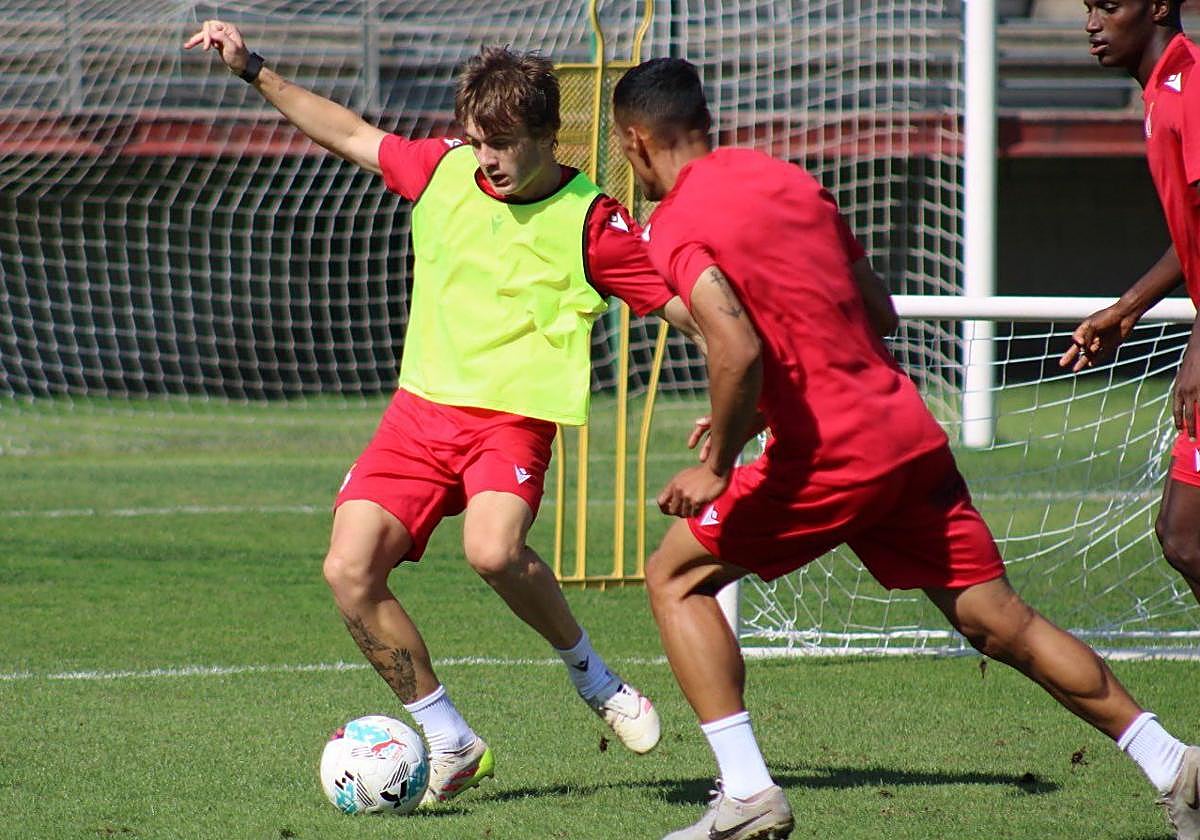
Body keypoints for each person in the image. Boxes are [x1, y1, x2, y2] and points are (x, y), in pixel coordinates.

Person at [611, 57, 1200, 840]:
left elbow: (736, 345)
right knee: (1001, 623)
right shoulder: (791, 182)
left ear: (634, 140)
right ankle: (1174, 764)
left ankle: (748, 793)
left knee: (674, 575)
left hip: (831, 454)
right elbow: (875, 313)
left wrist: (718, 460)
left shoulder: (676, 223)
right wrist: (759, 415)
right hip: (902, 433)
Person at [185, 21, 682, 805]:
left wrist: (759, 349)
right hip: (418, 415)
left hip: (510, 421)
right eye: (478, 139)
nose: (488, 159)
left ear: (550, 135)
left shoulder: (594, 223)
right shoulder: (444, 170)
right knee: (348, 571)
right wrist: (255, 71)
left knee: (492, 551)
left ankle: (595, 677)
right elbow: (346, 129)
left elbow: (686, 307)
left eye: (505, 143)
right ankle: (450, 739)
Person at [1061, 0, 1200, 608]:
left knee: (1185, 536)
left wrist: (1199, 353)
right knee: (1184, 535)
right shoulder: (1164, 90)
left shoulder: (1191, 85)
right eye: (1089, 7)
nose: (1093, 23)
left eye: (1110, 6)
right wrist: (1129, 307)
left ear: (1159, 7)